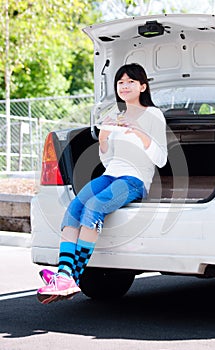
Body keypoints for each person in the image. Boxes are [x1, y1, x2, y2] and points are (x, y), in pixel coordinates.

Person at [37, 63, 167, 304]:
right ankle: (64, 274)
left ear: (143, 86)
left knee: (95, 206)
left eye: (130, 82)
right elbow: (108, 159)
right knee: (75, 207)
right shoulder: (116, 115)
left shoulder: (153, 115)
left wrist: (139, 133)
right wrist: (105, 138)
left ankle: (69, 277)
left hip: (135, 179)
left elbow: (161, 159)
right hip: (112, 174)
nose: (125, 86)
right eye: (120, 82)